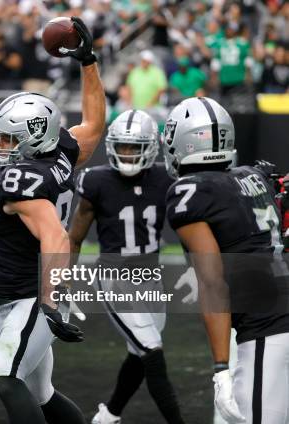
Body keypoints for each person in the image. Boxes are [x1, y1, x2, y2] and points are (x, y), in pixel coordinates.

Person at [0, 17, 105, 424]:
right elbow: (92, 125)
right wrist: (88, 61)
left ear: (33, 138)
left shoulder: (22, 177)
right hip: (19, 295)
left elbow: (56, 237)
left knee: (2, 373)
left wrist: (52, 301)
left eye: (8, 138)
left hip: (32, 296)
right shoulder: (63, 154)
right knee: (41, 393)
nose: (0, 146)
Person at [163, 96, 289, 424]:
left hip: (269, 328)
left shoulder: (188, 192)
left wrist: (221, 370)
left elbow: (213, 283)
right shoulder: (255, 176)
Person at [68, 110, 187, 424]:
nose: (127, 153)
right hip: (114, 277)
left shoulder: (165, 178)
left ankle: (108, 415)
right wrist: (63, 281)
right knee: (151, 349)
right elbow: (75, 238)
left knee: (140, 353)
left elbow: (188, 227)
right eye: (122, 146)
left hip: (150, 276)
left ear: (150, 147)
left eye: (134, 147)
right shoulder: (96, 181)